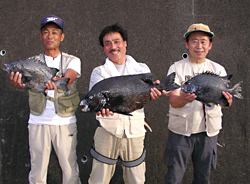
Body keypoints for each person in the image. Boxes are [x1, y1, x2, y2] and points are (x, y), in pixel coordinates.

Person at [9, 15, 81, 184]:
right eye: (46, 32)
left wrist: (56, 82)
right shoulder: (31, 62)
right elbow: (25, 84)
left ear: (61, 36)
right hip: (37, 121)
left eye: (54, 32)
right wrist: (19, 84)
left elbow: (69, 77)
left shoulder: (73, 60)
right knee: (37, 172)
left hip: (65, 122)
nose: (50, 36)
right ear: (40, 36)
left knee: (70, 170)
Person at [87, 23, 161, 184]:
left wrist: (151, 94)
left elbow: (141, 98)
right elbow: (98, 102)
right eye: (107, 44)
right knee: (98, 179)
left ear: (125, 43)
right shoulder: (99, 72)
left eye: (116, 41)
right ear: (103, 48)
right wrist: (101, 110)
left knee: (136, 179)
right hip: (107, 132)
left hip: (135, 133)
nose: (113, 47)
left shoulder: (141, 68)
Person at [163, 23, 233, 184]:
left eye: (203, 41)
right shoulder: (176, 68)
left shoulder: (218, 70)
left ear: (210, 45)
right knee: (173, 178)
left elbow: (225, 104)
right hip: (180, 133)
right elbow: (173, 99)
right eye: (194, 41)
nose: (199, 46)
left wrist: (227, 100)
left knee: (203, 178)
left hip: (208, 133)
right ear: (187, 44)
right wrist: (183, 99)